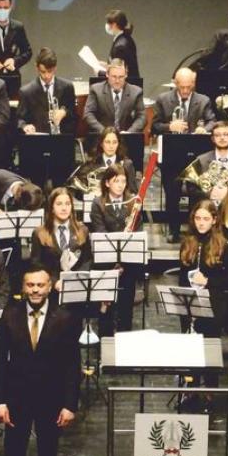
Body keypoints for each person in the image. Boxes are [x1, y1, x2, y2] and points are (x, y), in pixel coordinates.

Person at [0, 261, 81, 456]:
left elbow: (72, 365)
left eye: (40, 285)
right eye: (30, 285)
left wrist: (69, 404)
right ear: (23, 287)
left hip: (50, 398)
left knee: (47, 454)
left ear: (50, 286)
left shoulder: (65, 317)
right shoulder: (10, 315)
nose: (35, 290)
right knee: (14, 454)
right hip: (17, 397)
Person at [152, 67, 215, 239]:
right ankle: (173, 230)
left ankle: (195, 230)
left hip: (195, 156)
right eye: (182, 87)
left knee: (197, 193)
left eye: (189, 87)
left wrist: (204, 128)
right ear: (175, 84)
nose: (186, 91)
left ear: (193, 84)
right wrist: (169, 127)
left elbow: (212, 121)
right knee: (172, 193)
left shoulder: (203, 101)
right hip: (172, 156)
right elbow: (154, 126)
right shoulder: (163, 100)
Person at [89, 164, 141, 334]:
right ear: (107, 183)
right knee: (106, 308)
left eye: (124, 181)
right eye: (116, 181)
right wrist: (114, 262)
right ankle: (106, 346)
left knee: (126, 308)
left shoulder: (134, 202)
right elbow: (100, 231)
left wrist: (123, 261)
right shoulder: (98, 203)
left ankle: (124, 347)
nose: (120, 185)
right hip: (106, 265)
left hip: (128, 266)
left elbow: (137, 232)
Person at [178, 200, 228, 338]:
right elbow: (182, 276)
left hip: (213, 303)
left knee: (208, 347)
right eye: (197, 218)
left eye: (206, 219)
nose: (201, 223)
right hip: (190, 302)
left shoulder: (222, 245)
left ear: (214, 220)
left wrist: (207, 282)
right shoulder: (187, 243)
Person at [185, 121, 228, 214]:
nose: (222, 138)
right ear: (213, 139)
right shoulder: (201, 160)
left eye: (226, 134)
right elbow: (191, 189)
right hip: (208, 211)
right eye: (218, 135)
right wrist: (210, 193)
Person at [31, 187, 92, 276]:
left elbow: (87, 261)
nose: (64, 208)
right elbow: (36, 264)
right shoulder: (39, 233)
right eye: (59, 204)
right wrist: (54, 282)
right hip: (51, 286)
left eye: (67, 204)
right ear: (52, 208)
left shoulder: (83, 230)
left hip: (77, 284)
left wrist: (76, 278)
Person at [18, 47, 77, 136]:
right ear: (37, 68)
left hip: (62, 139)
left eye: (50, 71)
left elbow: (74, 114)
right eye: (43, 72)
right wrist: (25, 126)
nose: (47, 76)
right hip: (38, 140)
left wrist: (64, 112)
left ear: (55, 68)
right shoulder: (26, 91)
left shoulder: (67, 87)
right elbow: (19, 119)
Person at [82, 59, 146, 135]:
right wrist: (105, 132)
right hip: (102, 138)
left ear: (126, 75)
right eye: (114, 77)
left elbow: (142, 116)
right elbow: (88, 114)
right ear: (107, 74)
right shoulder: (96, 90)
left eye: (121, 77)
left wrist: (130, 132)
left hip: (126, 137)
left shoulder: (136, 92)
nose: (117, 81)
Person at [79, 126, 137, 194]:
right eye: (107, 142)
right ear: (101, 144)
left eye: (114, 142)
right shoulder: (91, 164)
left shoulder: (127, 165)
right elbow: (81, 193)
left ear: (118, 144)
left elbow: (133, 192)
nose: (111, 146)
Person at [100, 9, 141, 80]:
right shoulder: (126, 38)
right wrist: (106, 65)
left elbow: (117, 74)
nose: (107, 25)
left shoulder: (120, 46)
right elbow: (119, 65)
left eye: (108, 23)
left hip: (126, 88)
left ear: (114, 25)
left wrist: (99, 72)